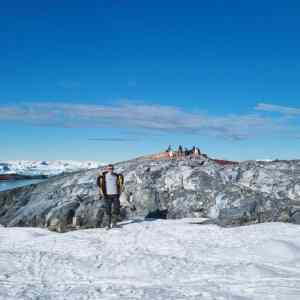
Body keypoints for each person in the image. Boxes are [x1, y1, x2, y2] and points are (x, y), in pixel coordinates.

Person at [97, 164, 124, 229]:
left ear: (113, 169)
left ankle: (114, 223)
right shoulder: (103, 176)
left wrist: (120, 191)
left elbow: (121, 183)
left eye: (111, 168)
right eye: (109, 168)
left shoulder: (117, 176)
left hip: (116, 195)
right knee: (107, 210)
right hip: (107, 196)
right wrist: (100, 194)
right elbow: (98, 184)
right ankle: (108, 225)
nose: (110, 169)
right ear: (107, 169)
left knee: (116, 209)